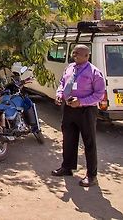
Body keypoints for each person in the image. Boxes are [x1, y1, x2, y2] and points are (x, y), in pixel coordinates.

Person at [51, 44, 105, 187]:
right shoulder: (70, 68)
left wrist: (80, 102)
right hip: (69, 109)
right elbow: (62, 83)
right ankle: (67, 167)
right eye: (74, 53)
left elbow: (99, 95)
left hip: (86, 111)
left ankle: (91, 176)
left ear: (87, 56)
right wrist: (59, 94)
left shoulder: (94, 72)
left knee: (89, 143)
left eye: (77, 54)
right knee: (68, 139)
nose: (74, 55)